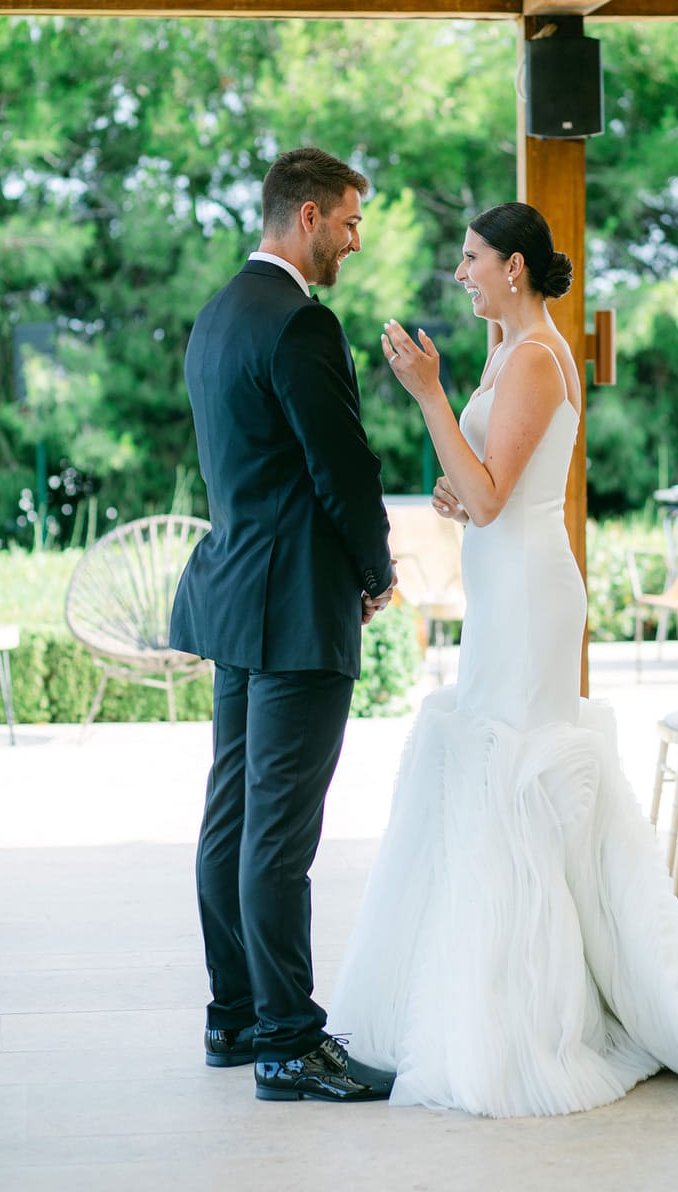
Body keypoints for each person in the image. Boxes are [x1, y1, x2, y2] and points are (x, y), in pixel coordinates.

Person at [328, 201, 678, 1117]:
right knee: (496, 774)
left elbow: (499, 498)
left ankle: (534, 1021)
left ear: (513, 267)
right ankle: (504, 997)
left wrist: (428, 394)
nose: (458, 273)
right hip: (505, 590)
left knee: (519, 780)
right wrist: (454, 490)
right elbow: (485, 485)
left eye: (470, 258)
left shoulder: (539, 357)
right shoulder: (511, 351)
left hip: (532, 597)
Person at [170, 147, 398, 1104]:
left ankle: (234, 1017)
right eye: (348, 221)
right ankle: (290, 1044)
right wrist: (377, 569)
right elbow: (339, 467)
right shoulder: (303, 324)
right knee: (279, 834)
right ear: (306, 217)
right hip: (297, 604)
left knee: (233, 816)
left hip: (234, 594)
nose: (353, 238)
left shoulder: (217, 315)